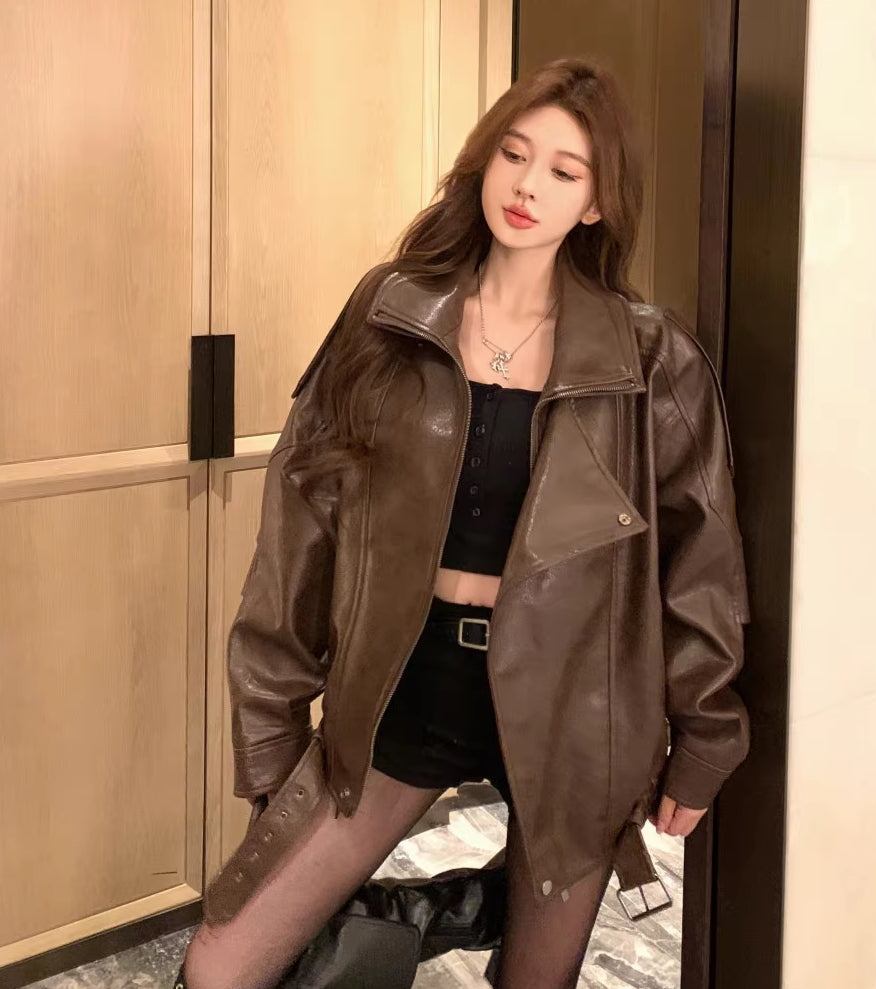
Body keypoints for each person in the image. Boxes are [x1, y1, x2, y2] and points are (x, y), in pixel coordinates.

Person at [176, 57, 751, 989]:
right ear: (483, 162)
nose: (527, 186)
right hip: (406, 683)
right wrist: (269, 722)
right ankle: (445, 907)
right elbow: (300, 526)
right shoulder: (391, 312)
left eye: (563, 170)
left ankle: (460, 908)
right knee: (222, 964)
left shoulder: (651, 357)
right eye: (513, 155)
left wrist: (706, 737)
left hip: (577, 706)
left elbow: (701, 565)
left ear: (596, 203)